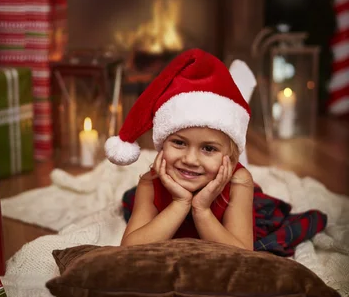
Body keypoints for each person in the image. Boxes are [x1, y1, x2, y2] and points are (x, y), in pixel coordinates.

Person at [105, 48, 327, 255]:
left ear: (229, 157)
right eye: (179, 143)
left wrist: (201, 209)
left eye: (208, 148)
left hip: (225, 215)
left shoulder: (239, 182)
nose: (190, 160)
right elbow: (130, 248)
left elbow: (242, 252)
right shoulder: (150, 182)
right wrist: (180, 203)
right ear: (162, 143)